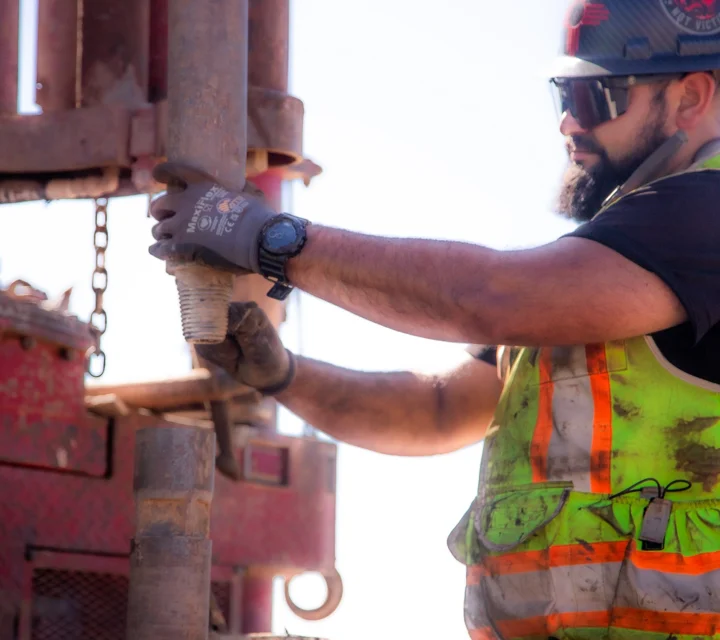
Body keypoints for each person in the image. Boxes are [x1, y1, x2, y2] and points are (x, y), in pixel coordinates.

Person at [147, 0, 720, 636]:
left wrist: (272, 240)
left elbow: (490, 296)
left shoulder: (705, 213)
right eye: (563, 94)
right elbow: (442, 408)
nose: (565, 122)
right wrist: (285, 376)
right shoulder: (604, 267)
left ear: (691, 96)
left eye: (594, 99)